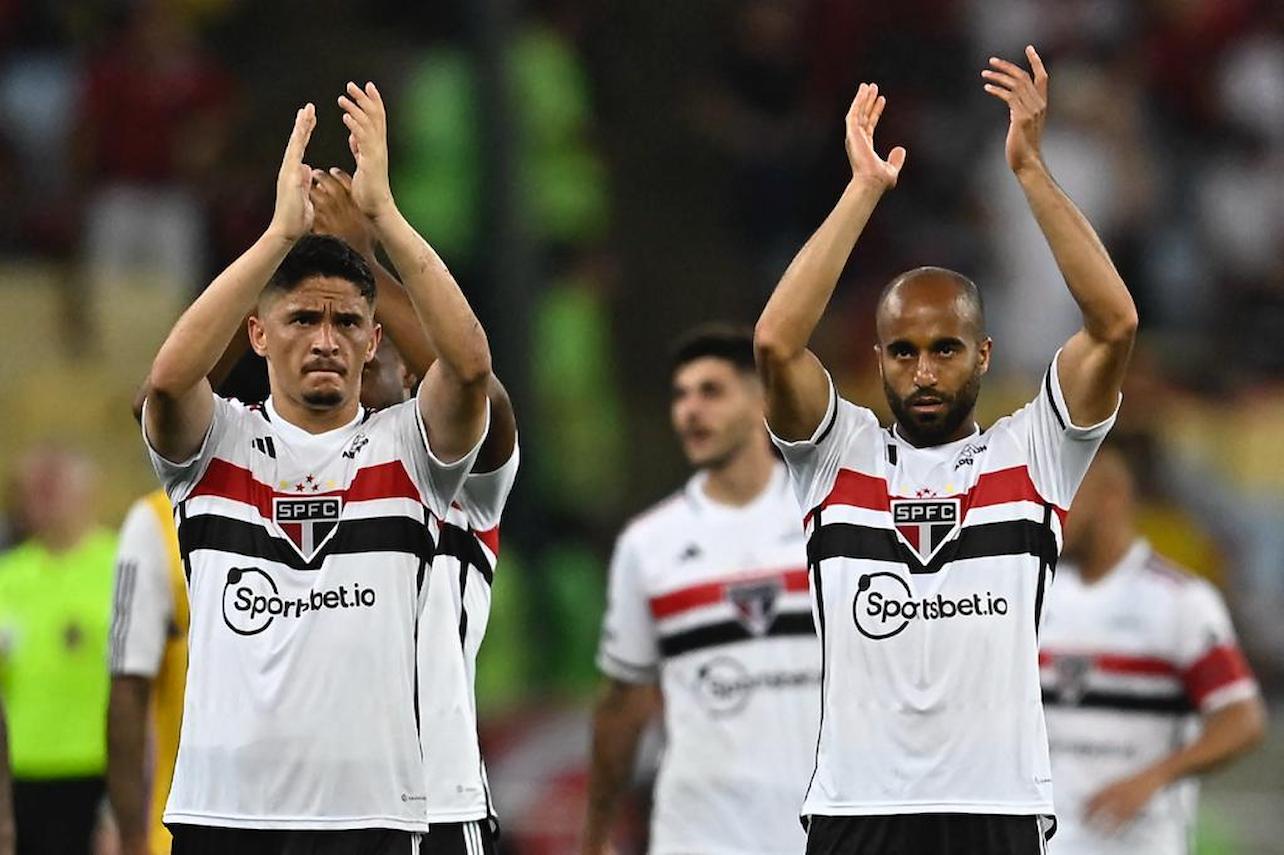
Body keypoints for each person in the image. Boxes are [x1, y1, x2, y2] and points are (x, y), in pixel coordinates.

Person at [752, 47, 1138, 854]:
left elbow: (1115, 324)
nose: (924, 371)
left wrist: (1030, 170)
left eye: (945, 348)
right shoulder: (839, 454)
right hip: (857, 809)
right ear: (880, 356)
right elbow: (776, 344)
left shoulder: (1034, 452)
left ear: (985, 353)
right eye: (903, 351)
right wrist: (861, 194)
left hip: (993, 807)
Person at [140, 81, 492, 853]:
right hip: (224, 810)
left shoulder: (408, 451)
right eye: (303, 318)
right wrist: (277, 237)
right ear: (259, 335)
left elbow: (469, 371)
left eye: (346, 322)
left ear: (373, 343)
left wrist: (386, 219)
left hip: (368, 816)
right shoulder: (216, 447)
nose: (325, 338)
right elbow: (167, 382)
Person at [311, 170, 520, 855]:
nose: (355, 361)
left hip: (435, 795)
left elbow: (473, 382)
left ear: (411, 376)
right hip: (313, 801)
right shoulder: (293, 471)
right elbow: (160, 405)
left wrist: (363, 262)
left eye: (379, 354)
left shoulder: (461, 480)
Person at [582, 326, 820, 855]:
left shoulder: (824, 525)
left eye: (711, 392)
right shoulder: (649, 545)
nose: (690, 410)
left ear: (762, 401)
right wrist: (597, 831)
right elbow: (624, 701)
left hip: (820, 832)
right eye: (681, 395)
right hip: (700, 834)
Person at [1040, 447, 1266, 854]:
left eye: (1067, 493)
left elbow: (1242, 719)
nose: (1052, 509)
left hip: (1140, 844)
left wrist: (1153, 777)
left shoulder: (1180, 600)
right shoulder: (1039, 595)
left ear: (1111, 496)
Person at [0, 447, 116, 855]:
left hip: (98, 768)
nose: (42, 502)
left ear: (86, 493)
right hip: (23, 771)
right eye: (33, 491)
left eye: (53, 489)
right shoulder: (8, 576)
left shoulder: (120, 564)